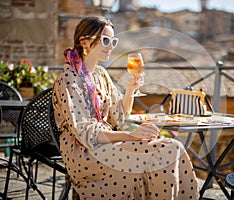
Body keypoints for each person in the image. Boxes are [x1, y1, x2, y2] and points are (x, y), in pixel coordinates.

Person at [52, 16, 199, 199]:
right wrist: (130, 136)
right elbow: (86, 133)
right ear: (84, 42)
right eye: (105, 40)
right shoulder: (69, 78)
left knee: (173, 147)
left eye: (113, 41)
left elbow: (118, 117)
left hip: (107, 143)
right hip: (83, 152)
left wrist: (130, 91)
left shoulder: (101, 75)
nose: (111, 46)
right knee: (165, 152)